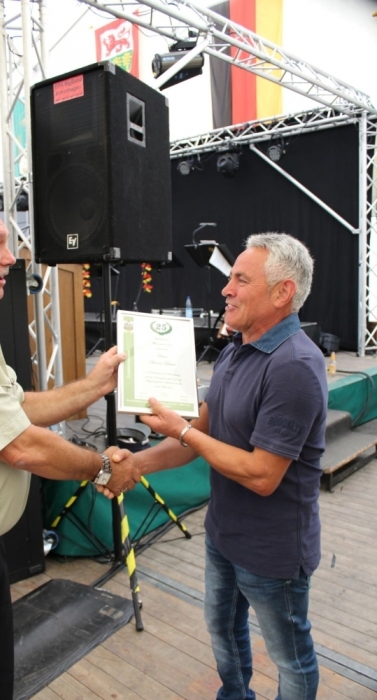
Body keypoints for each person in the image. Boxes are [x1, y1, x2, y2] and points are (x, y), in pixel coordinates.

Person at [0, 196, 139, 700]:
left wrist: (95, 385)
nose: (11, 258)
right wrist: (102, 467)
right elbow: (18, 446)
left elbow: (17, 410)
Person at [114, 233, 328, 700]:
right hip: (223, 535)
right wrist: (135, 464)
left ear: (283, 292)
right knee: (223, 633)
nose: (226, 289)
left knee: (291, 659)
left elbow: (262, 475)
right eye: (230, 278)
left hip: (272, 552)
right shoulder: (236, 349)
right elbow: (198, 437)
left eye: (241, 280)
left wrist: (183, 431)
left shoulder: (294, 366)